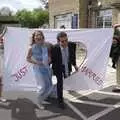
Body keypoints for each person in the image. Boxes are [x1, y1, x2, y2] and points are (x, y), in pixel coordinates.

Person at [51, 32, 78, 109]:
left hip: (67, 66)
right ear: (58, 41)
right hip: (59, 67)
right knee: (60, 83)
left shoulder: (72, 45)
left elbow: (73, 56)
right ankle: (60, 101)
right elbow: (52, 60)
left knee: (67, 77)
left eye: (66, 40)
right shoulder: (55, 48)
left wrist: (75, 65)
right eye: (62, 41)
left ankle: (68, 87)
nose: (65, 43)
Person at [26, 30, 52, 109]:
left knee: (49, 85)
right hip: (38, 68)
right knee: (42, 86)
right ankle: (38, 102)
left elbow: (49, 55)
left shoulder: (45, 46)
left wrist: (49, 59)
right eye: (36, 35)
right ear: (34, 38)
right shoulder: (31, 48)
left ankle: (43, 98)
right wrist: (37, 62)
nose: (38, 36)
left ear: (42, 37)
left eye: (40, 35)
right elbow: (28, 59)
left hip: (46, 68)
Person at [0, 27, 7, 103]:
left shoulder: (4, 44)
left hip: (2, 65)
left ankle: (1, 96)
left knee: (1, 82)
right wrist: (4, 32)